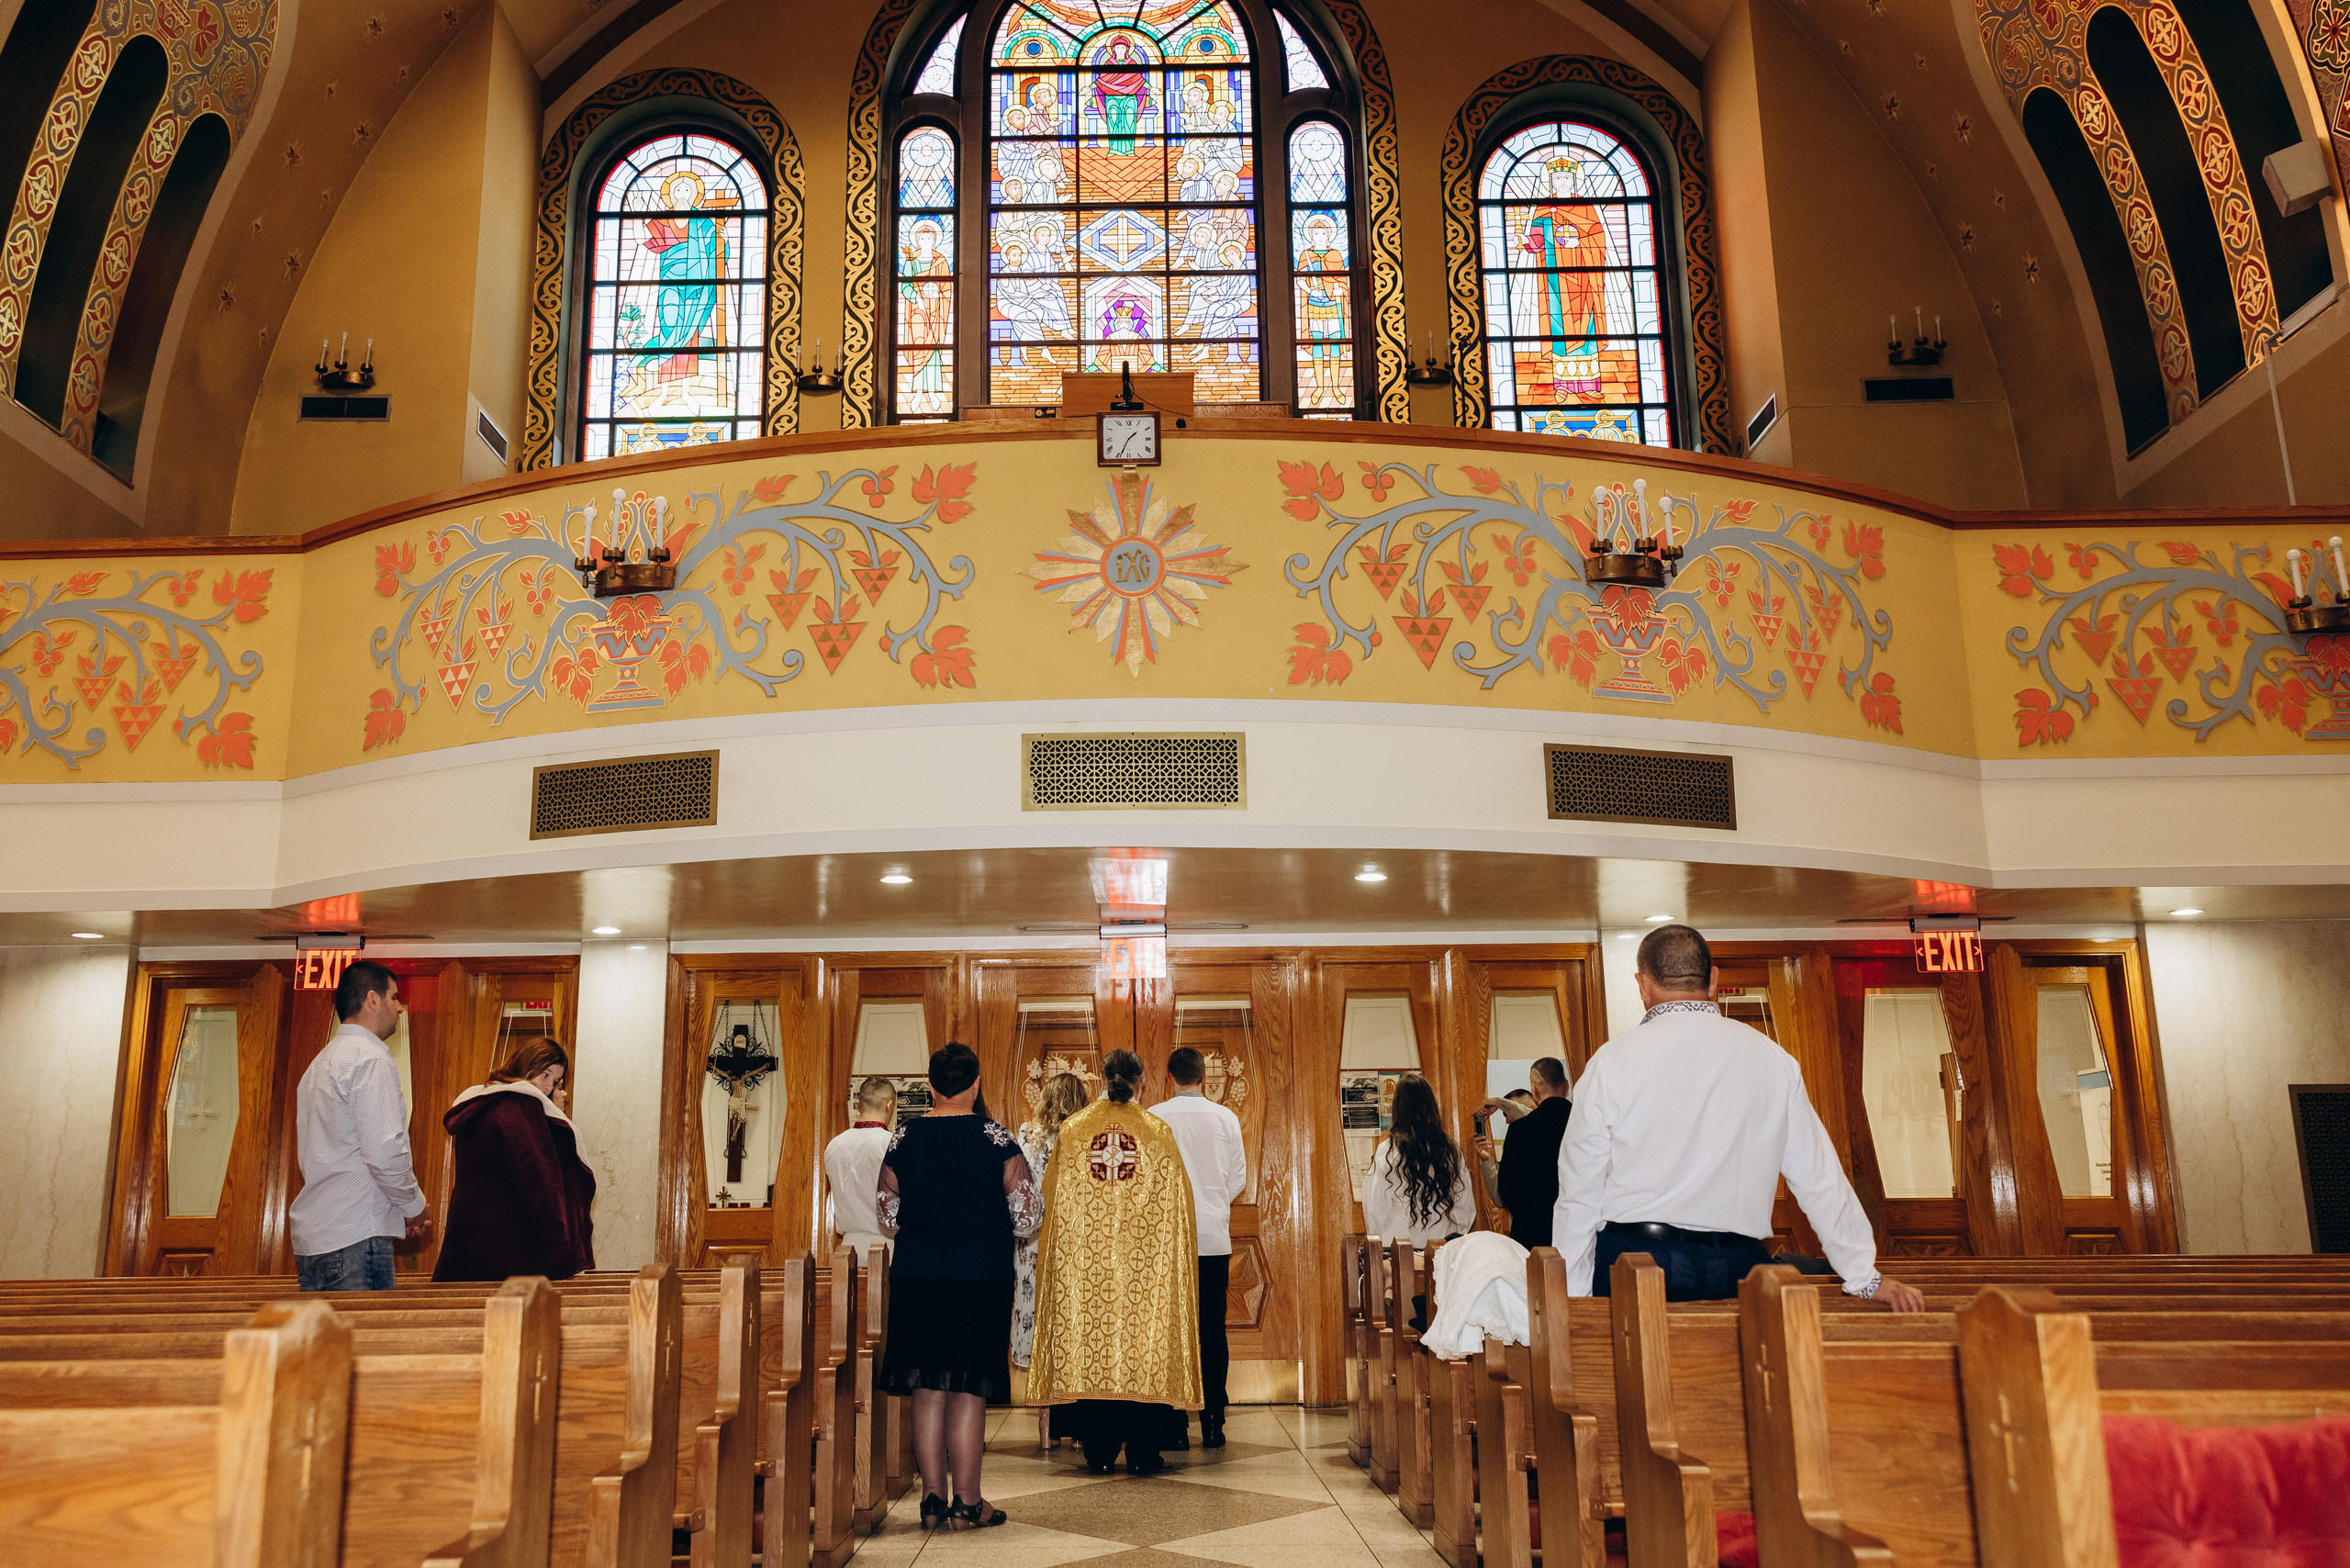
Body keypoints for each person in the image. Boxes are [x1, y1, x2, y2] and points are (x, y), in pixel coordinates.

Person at [1553, 925, 1929, 1310]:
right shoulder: (1771, 1059)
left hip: (1634, 1261)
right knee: (1742, 1372)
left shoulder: (1610, 1063)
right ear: (1713, 979)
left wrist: (1572, 1296)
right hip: (1738, 1265)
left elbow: (1579, 1192)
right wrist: (1863, 1275)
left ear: (1642, 984)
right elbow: (1818, 1176)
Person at [877, 1043, 1040, 1529]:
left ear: (929, 1086)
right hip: (978, 1275)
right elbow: (1029, 1215)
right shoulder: (996, 1138)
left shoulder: (903, 1137)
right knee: (968, 1389)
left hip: (917, 1274)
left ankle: (931, 1498)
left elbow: (886, 1211)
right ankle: (968, 1501)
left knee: (927, 1387)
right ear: (975, 1085)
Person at [1028, 1049, 1201, 1476]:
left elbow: (1055, 1202)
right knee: (1143, 1346)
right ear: (1141, 1083)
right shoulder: (1157, 1132)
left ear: (1102, 1080)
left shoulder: (1074, 1130)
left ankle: (1100, 1450)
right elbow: (1177, 1208)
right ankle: (1145, 1451)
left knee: (1096, 1343)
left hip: (1090, 1269)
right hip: (1145, 1270)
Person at [290, 960, 430, 1291]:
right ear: (372, 1000)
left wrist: (396, 1212)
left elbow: (331, 1154)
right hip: (354, 1236)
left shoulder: (319, 1063)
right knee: (364, 1342)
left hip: (317, 1238)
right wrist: (414, 1208)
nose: (401, 1008)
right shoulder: (371, 1058)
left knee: (325, 1343)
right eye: (394, 998)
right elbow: (383, 1152)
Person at [433, 1039, 597, 1282]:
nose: (546, 1087)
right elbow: (537, 1177)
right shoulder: (519, 1105)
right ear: (525, 1064)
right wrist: (558, 1243)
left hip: (468, 1240)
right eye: (545, 1074)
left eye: (554, 1082)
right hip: (512, 1247)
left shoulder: (482, 1104)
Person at [1149, 1046, 1248, 1449]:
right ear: (1204, 1078)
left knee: (1171, 1330)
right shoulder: (1226, 1118)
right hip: (1212, 1237)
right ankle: (1214, 1420)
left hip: (1167, 1242)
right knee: (1212, 1329)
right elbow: (1238, 1179)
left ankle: (1174, 1425)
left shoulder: (1154, 1117)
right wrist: (1212, 1204)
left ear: (1169, 1078)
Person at [1361, 1073, 1477, 1298]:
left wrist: (1379, 1244)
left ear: (1398, 1109)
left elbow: (1374, 1210)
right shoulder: (1451, 1151)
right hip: (1441, 1259)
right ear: (1431, 1107)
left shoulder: (1389, 1151)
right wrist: (1446, 1242)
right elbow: (1465, 1212)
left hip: (1397, 1260)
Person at [1012, 1071, 1091, 1373]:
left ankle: (1029, 1361)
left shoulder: (1026, 1135)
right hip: (1073, 1233)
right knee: (1069, 1300)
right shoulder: (1086, 1137)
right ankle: (1071, 1365)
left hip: (1031, 1234)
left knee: (1030, 1297)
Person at [1494, 1059, 1572, 1247]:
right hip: (1577, 1230)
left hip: (1530, 1233)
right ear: (1567, 1086)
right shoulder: (1585, 1123)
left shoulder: (1519, 1130)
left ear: (1534, 1090)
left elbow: (1506, 1189)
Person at [825, 1076, 900, 1261]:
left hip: (848, 1248)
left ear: (858, 1107)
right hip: (888, 1247)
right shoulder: (892, 1144)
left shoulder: (834, 1145)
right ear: (889, 1105)